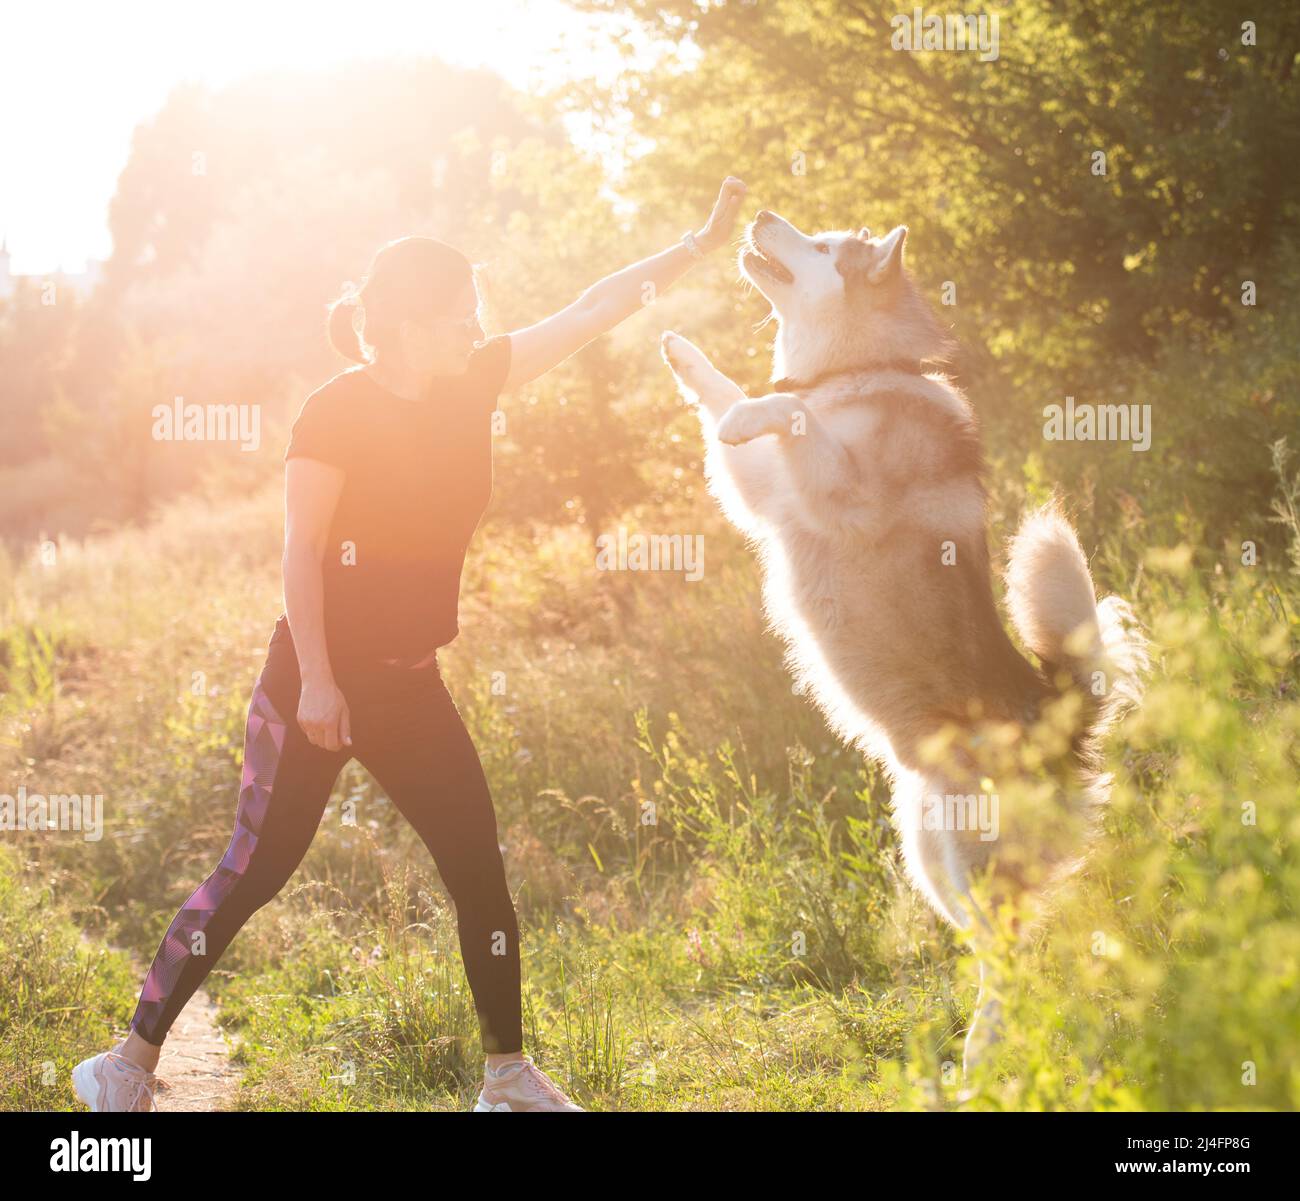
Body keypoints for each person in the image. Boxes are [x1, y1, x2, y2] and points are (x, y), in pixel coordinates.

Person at [72, 176, 748, 1113]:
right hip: (315, 681)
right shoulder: (335, 411)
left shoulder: (474, 383)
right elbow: (301, 550)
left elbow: (593, 309)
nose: (474, 330)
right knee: (256, 870)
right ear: (404, 323)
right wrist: (315, 680)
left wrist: (699, 244)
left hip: (411, 684)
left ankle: (506, 1078)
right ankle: (127, 1065)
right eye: (457, 316)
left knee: (478, 861)